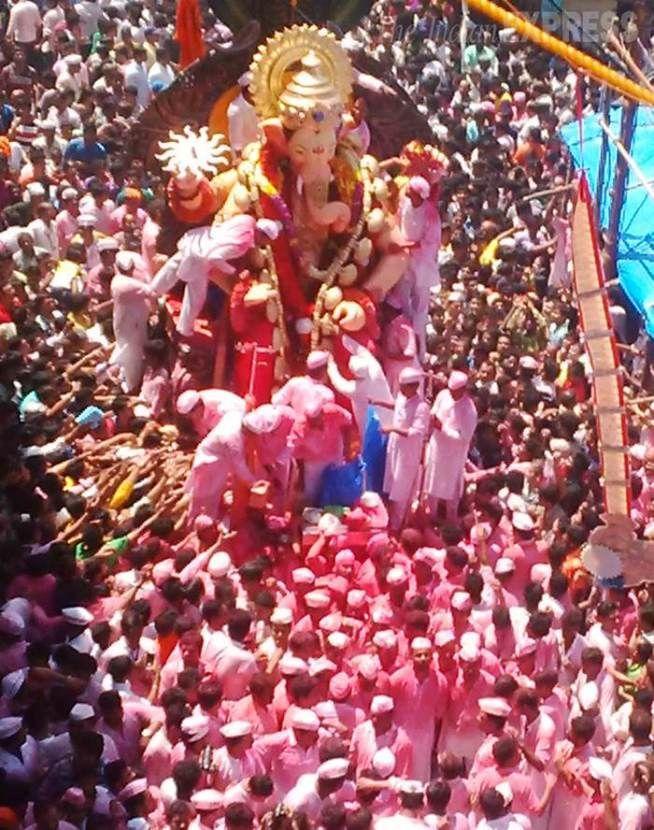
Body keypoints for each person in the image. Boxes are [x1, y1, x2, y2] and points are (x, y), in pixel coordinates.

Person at [423, 371, 478, 520]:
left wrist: (444, 429)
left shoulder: (469, 410)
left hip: (454, 455)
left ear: (463, 390)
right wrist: (432, 417)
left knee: (451, 491)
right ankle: (431, 517)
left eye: (455, 391)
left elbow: (465, 438)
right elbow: (435, 410)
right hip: (436, 449)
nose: (452, 394)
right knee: (432, 485)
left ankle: (450, 520)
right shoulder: (443, 395)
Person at [383, 367, 430, 530]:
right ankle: (392, 523)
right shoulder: (402, 398)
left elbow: (415, 432)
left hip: (408, 453)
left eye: (403, 386)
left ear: (414, 386)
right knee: (393, 487)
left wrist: (392, 429)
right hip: (395, 449)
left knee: (401, 492)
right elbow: (397, 406)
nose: (400, 389)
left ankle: (398, 527)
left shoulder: (421, 407)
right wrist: (378, 402)